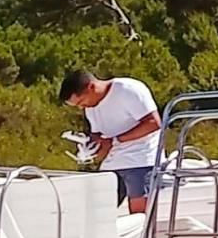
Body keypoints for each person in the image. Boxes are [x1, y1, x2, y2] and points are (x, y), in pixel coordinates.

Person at [61, 69, 162, 214]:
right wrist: (90, 148)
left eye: (81, 102)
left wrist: (116, 140)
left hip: (141, 159)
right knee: (99, 211)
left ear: (91, 87)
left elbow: (153, 123)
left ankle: (144, 230)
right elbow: (97, 135)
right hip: (112, 163)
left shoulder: (128, 90)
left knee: (139, 213)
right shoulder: (91, 108)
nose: (81, 107)